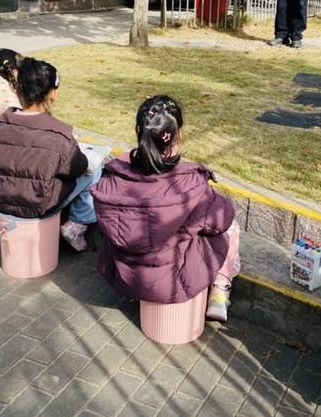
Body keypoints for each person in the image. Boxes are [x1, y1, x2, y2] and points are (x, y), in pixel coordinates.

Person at [91, 95, 240, 322]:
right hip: (173, 283)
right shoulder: (191, 184)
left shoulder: (111, 178)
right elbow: (223, 219)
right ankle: (220, 292)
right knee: (230, 226)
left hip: (123, 277)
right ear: (179, 134)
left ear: (138, 131)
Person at [0, 58, 100, 252]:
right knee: (95, 170)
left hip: (0, 202)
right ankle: (77, 225)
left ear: (18, 90)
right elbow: (79, 167)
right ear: (53, 94)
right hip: (40, 203)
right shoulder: (59, 137)